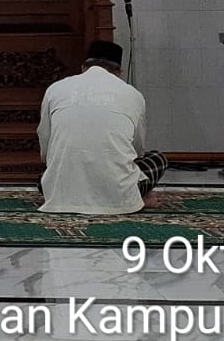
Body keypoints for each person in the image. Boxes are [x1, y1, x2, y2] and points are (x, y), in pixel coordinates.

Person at [37, 39, 165, 215]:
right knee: (158, 159)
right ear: (118, 72)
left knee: (47, 174)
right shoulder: (133, 95)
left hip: (62, 191)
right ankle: (137, 198)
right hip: (118, 194)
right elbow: (137, 151)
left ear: (84, 67)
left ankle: (64, 195)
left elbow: (45, 146)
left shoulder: (55, 89)